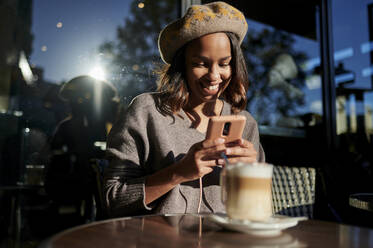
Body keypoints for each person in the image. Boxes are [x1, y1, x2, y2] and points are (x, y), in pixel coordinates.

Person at [104, 1, 265, 217]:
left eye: (224, 64)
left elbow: (258, 210)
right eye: (200, 63)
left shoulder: (246, 124)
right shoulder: (147, 112)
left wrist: (251, 176)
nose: (214, 76)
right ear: (182, 66)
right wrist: (178, 172)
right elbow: (112, 198)